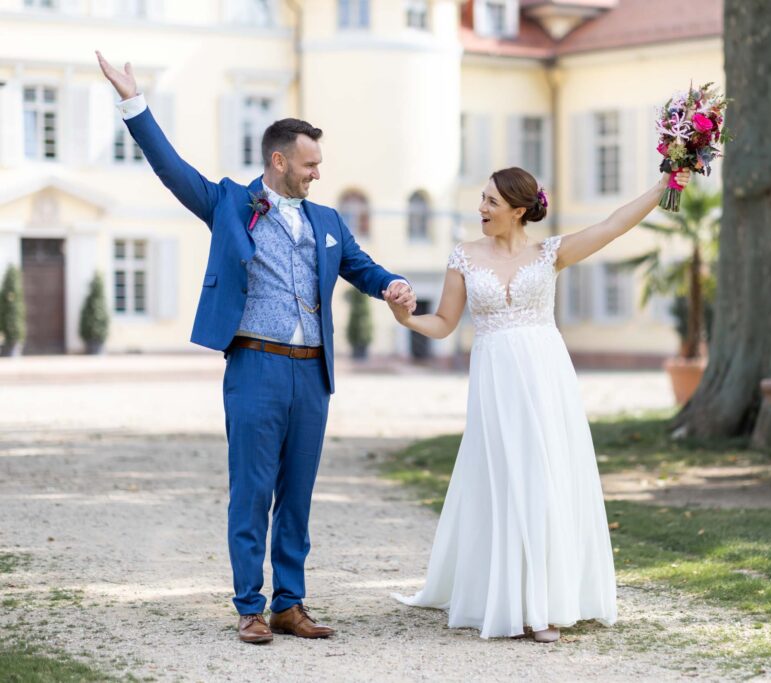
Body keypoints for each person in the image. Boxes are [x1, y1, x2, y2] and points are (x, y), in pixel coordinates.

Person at [96, 51, 417, 644]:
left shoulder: (326, 219)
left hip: (311, 375)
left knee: (296, 496)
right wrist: (133, 103)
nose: (319, 172)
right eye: (310, 163)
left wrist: (390, 285)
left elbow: (361, 267)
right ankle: (249, 606)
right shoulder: (228, 203)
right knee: (251, 493)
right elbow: (170, 169)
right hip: (255, 366)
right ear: (279, 160)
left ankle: (288, 604)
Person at [390, 165, 688, 642]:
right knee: (505, 478)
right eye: (482, 199)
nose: (481, 208)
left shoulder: (551, 253)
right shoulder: (463, 257)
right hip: (495, 381)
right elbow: (444, 323)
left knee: (544, 477)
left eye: (491, 202)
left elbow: (613, 225)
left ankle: (542, 606)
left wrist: (664, 186)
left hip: (545, 377)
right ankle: (504, 596)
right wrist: (405, 319)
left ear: (519, 211)